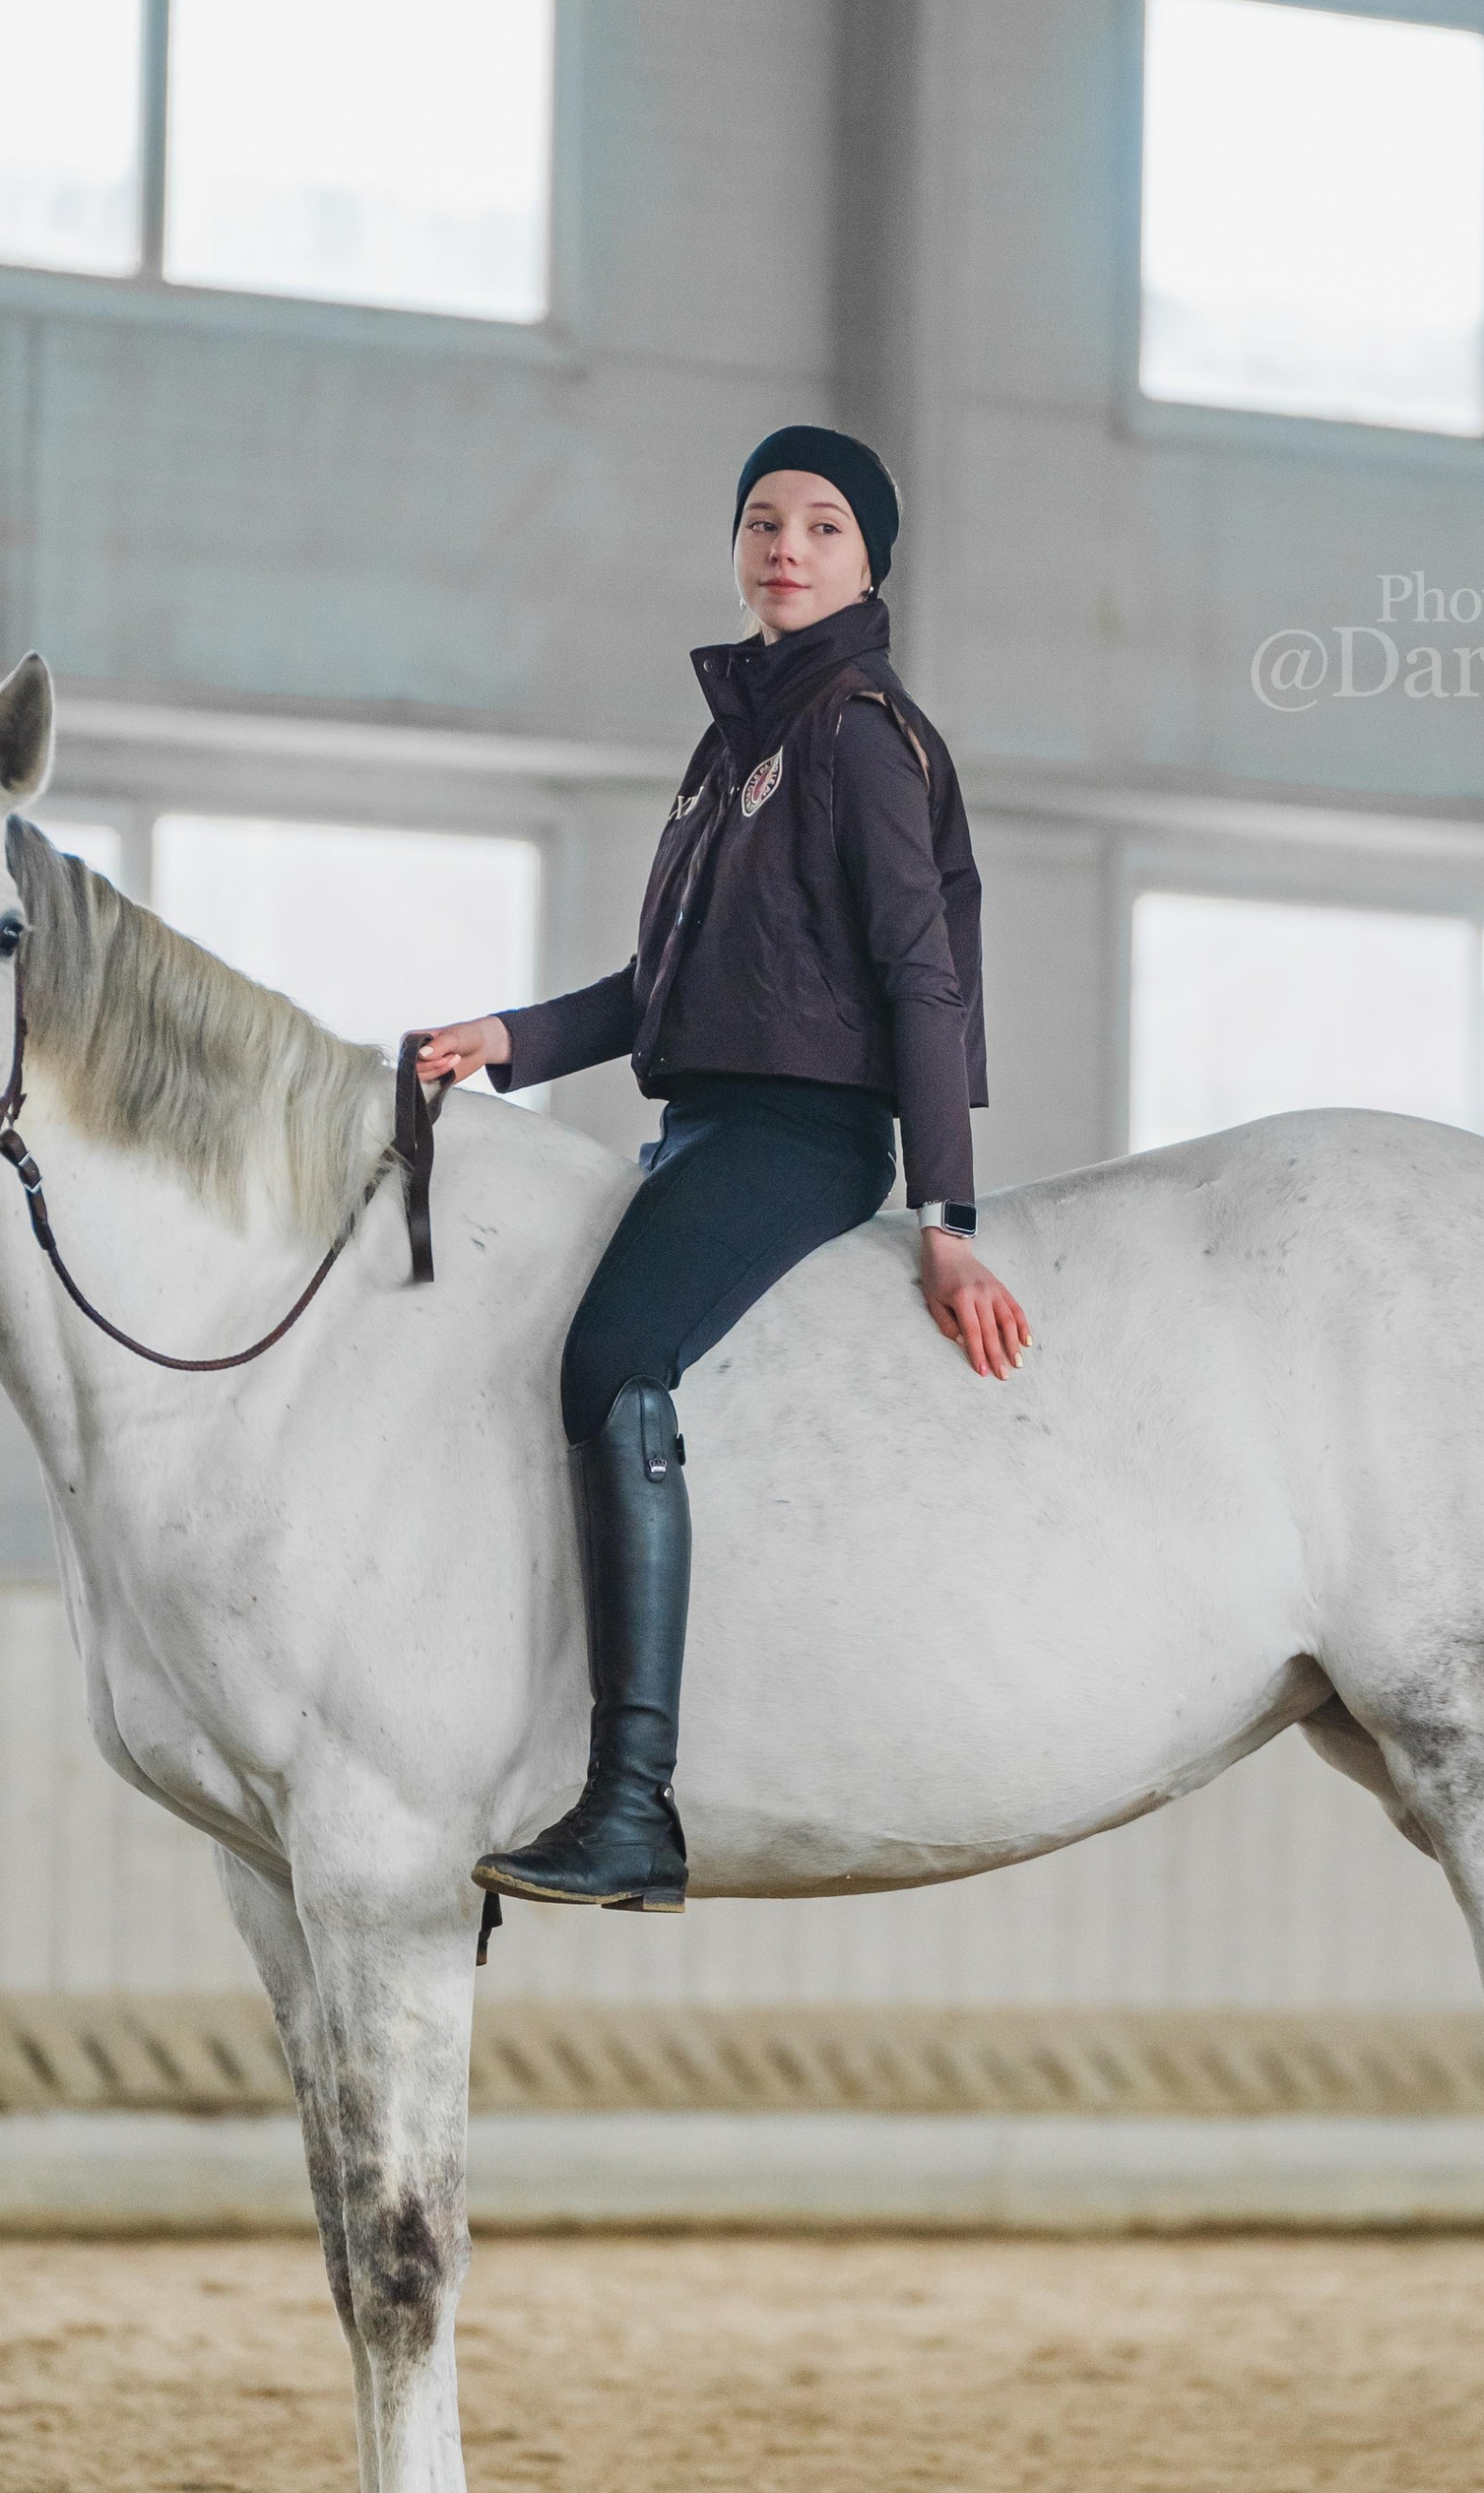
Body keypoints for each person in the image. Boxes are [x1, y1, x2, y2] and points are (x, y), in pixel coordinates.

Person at [415, 427, 1031, 1916]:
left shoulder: (863, 731)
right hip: (699, 1121)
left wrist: (945, 1216)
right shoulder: (736, 743)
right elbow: (667, 981)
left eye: (825, 526)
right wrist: (509, 1037)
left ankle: (633, 1803)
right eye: (764, 520)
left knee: (614, 1352)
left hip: (799, 1136)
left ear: (871, 561)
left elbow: (923, 977)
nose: (787, 546)